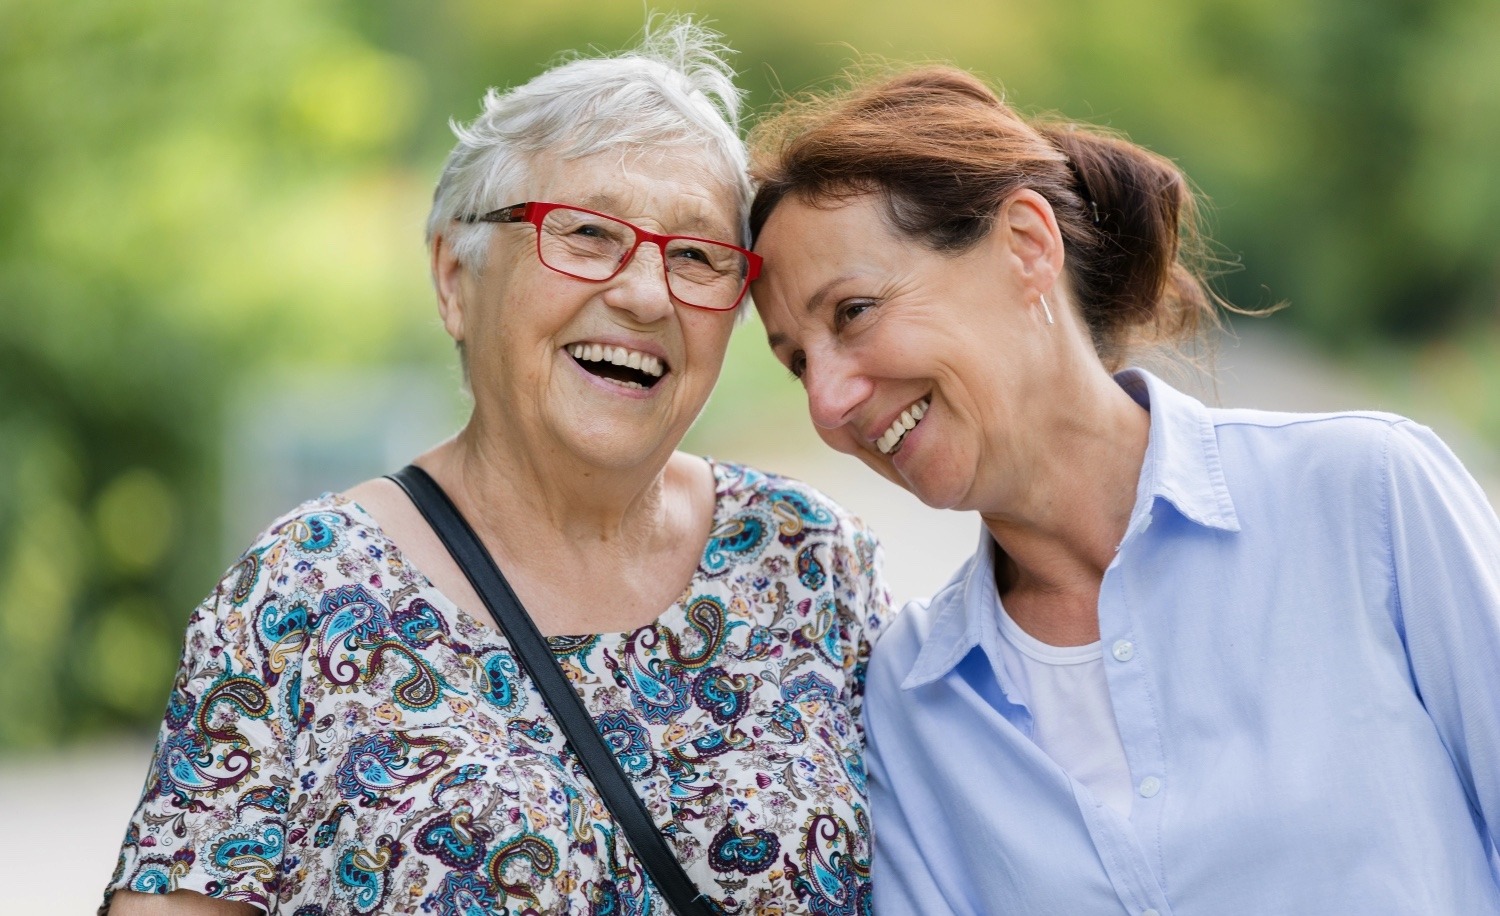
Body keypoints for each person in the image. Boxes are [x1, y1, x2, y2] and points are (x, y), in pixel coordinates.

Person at [103, 21, 891, 915]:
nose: (643, 293)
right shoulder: (302, 596)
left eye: (698, 257)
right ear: (454, 278)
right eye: (588, 235)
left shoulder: (811, 562)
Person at [748, 65, 1500, 914]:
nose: (828, 400)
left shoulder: (1366, 497)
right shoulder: (916, 696)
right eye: (796, 361)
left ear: (1026, 246)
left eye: (852, 312)